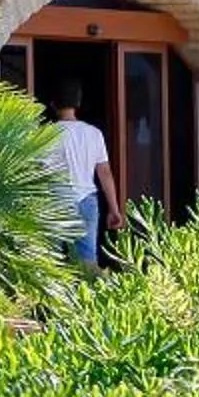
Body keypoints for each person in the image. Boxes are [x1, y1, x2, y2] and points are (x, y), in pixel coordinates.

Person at [43, 85, 121, 270]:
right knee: (87, 261)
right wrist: (114, 209)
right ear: (77, 104)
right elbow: (105, 173)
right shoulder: (94, 133)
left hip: (56, 199)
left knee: (52, 263)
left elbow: (38, 171)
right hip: (87, 200)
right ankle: (90, 288)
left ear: (53, 105)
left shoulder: (47, 134)